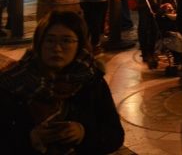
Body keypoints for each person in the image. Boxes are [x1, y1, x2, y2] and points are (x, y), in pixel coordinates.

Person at [0, 10, 125, 154]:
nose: (57, 49)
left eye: (66, 40)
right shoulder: (13, 82)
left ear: (79, 45)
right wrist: (30, 139)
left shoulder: (90, 80)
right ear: (39, 43)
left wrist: (83, 133)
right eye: (50, 40)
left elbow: (115, 135)